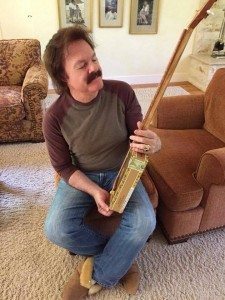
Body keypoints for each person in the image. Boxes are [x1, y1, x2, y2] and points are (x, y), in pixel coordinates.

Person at [43, 26, 161, 299]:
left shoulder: (122, 92)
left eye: (94, 59)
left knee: (145, 222)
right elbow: (63, 167)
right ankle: (122, 259)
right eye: (82, 65)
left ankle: (99, 272)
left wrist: (155, 143)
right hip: (83, 175)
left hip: (122, 171)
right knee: (56, 229)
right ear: (64, 76)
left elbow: (140, 138)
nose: (94, 68)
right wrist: (95, 191)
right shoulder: (54, 117)